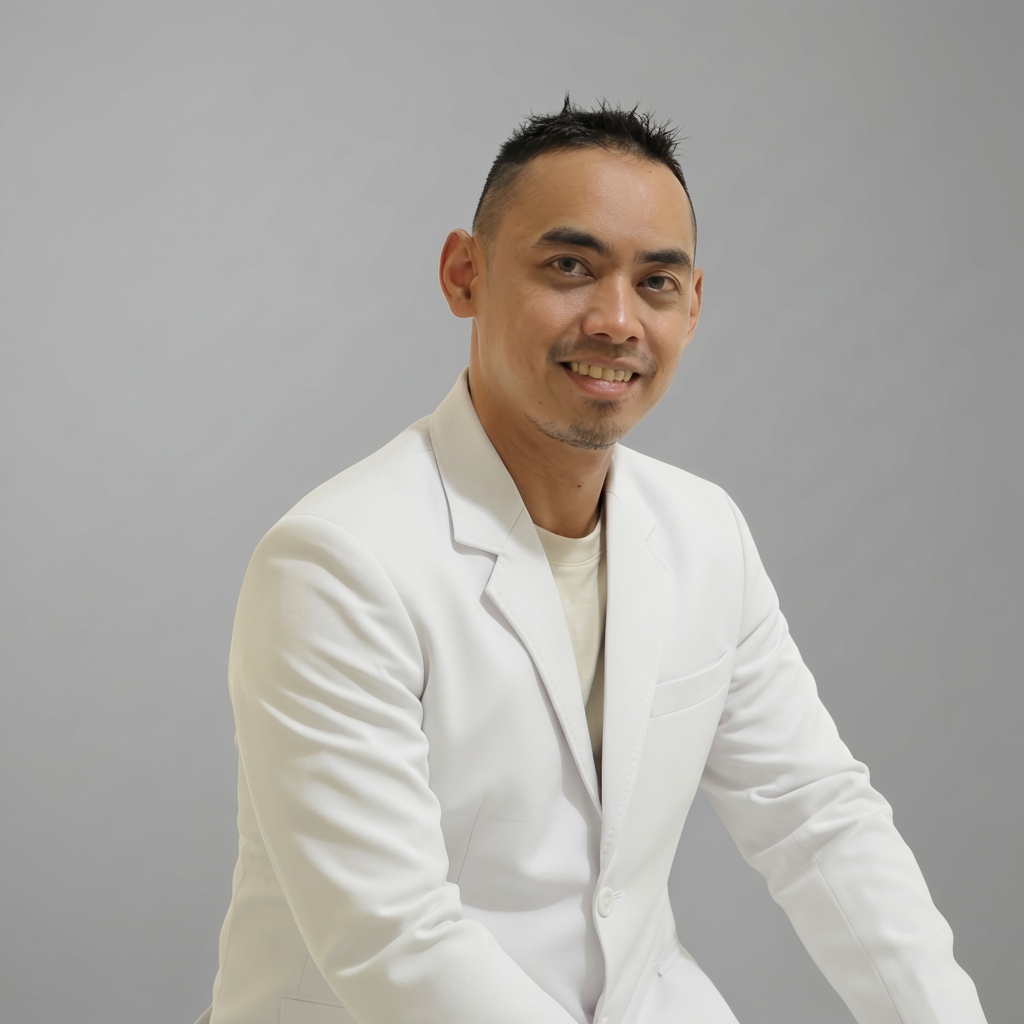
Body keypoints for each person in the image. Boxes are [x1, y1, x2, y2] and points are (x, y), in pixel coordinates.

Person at [196, 99, 987, 1024]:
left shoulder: (705, 532)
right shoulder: (335, 564)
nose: (616, 321)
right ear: (464, 273)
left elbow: (815, 818)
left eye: (656, 283)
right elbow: (396, 939)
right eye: (570, 267)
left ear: (693, 307)